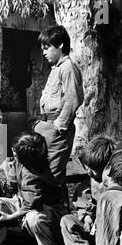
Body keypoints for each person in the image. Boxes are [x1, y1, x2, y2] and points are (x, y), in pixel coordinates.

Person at [34, 25, 84, 189]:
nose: (44, 52)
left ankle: (51, 212)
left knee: (51, 177)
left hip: (56, 129)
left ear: (61, 45)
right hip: (46, 127)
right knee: (42, 173)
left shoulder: (68, 68)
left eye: (47, 47)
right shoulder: (57, 69)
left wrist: (59, 127)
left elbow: (73, 99)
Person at [61, 136, 118, 245]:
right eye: (87, 167)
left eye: (93, 169)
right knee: (67, 221)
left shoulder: (119, 182)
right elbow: (90, 201)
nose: (89, 172)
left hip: (111, 232)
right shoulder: (93, 180)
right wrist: (87, 215)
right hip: (94, 229)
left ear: (106, 167)